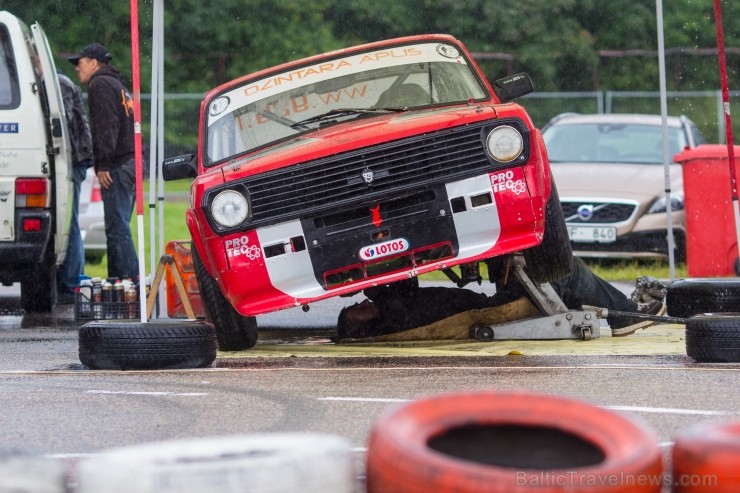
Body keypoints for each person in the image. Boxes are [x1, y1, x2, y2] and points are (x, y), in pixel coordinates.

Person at [337, 255, 667, 340]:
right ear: (364, 327)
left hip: (487, 303)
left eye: (358, 303)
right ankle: (626, 314)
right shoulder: (394, 315)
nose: (364, 304)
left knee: (560, 273)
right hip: (493, 310)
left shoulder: (396, 310)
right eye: (358, 310)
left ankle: (620, 307)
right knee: (563, 272)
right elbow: (392, 290)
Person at [67, 43, 138, 281]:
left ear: (94, 63)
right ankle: (123, 284)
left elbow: (107, 126)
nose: (77, 68)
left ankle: (128, 285)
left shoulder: (100, 84)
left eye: (81, 62)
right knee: (120, 229)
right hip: (130, 161)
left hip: (117, 165)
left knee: (117, 230)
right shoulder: (117, 84)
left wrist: (105, 163)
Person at [56, 70, 94, 304]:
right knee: (71, 221)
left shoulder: (60, 83)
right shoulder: (64, 82)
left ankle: (70, 283)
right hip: (78, 158)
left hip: (75, 159)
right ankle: (70, 280)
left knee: (70, 221)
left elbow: (65, 121)